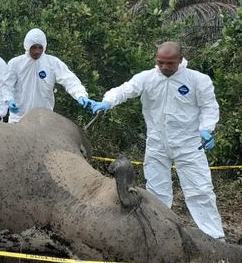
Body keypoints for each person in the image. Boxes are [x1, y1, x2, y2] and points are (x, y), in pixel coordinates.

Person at [92, 42, 225, 240]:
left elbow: (209, 107)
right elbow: (125, 90)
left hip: (189, 144)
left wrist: (206, 129)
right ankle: (162, 234)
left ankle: (215, 238)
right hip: (156, 144)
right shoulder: (147, 78)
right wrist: (107, 101)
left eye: (169, 63)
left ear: (180, 60)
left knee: (200, 190)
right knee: (157, 192)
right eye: (160, 62)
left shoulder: (197, 80)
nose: (164, 67)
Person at [3, 28, 92, 123]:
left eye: (40, 47)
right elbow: (6, 86)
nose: (37, 51)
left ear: (44, 47)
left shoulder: (52, 63)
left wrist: (81, 95)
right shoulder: (16, 63)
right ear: (27, 46)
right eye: (33, 47)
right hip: (19, 117)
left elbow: (69, 80)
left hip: (43, 120)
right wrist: (9, 100)